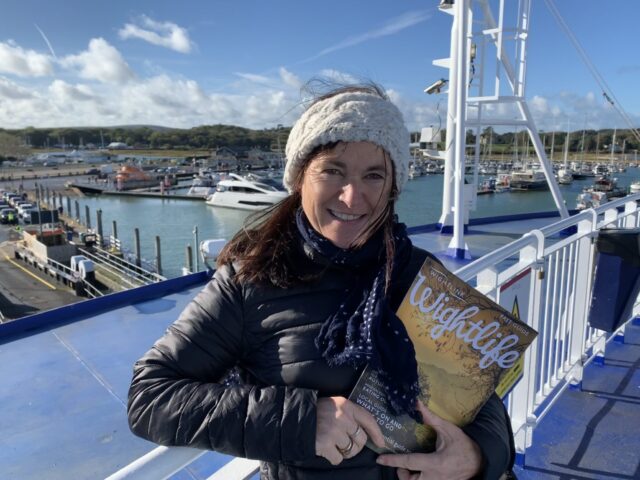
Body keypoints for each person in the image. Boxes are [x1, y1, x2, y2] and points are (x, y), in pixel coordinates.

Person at [127, 84, 515, 480]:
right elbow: (150, 396)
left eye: (374, 175)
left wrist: (477, 457)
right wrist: (302, 420)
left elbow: (477, 389)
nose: (352, 196)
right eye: (333, 170)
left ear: (393, 186)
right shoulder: (251, 281)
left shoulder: (418, 272)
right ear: (299, 179)